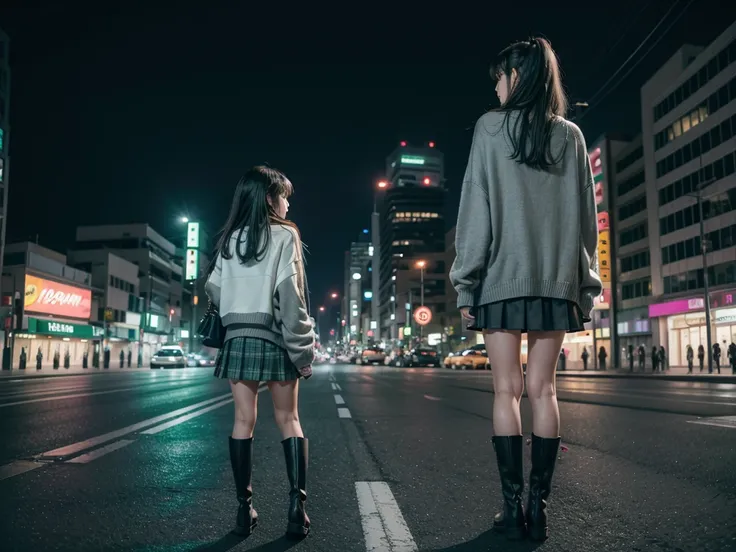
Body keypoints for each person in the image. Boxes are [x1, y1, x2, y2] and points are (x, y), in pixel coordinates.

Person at [450, 37, 602, 542]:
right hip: (556, 284)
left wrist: (465, 283)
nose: (495, 85)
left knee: (505, 391)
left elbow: (476, 210)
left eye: (500, 76)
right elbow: (586, 221)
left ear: (519, 77)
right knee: (544, 391)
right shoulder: (573, 136)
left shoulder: (489, 129)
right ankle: (539, 505)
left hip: (499, 282)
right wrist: (585, 284)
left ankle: (511, 505)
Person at [205, 166, 315, 539]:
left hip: (238, 341)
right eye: (283, 196)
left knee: (242, 421)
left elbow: (214, 289)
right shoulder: (286, 236)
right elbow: (292, 300)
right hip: (274, 339)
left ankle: (243, 511)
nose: (287, 203)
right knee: (289, 419)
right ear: (270, 198)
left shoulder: (230, 241)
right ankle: (297, 510)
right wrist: (303, 352)